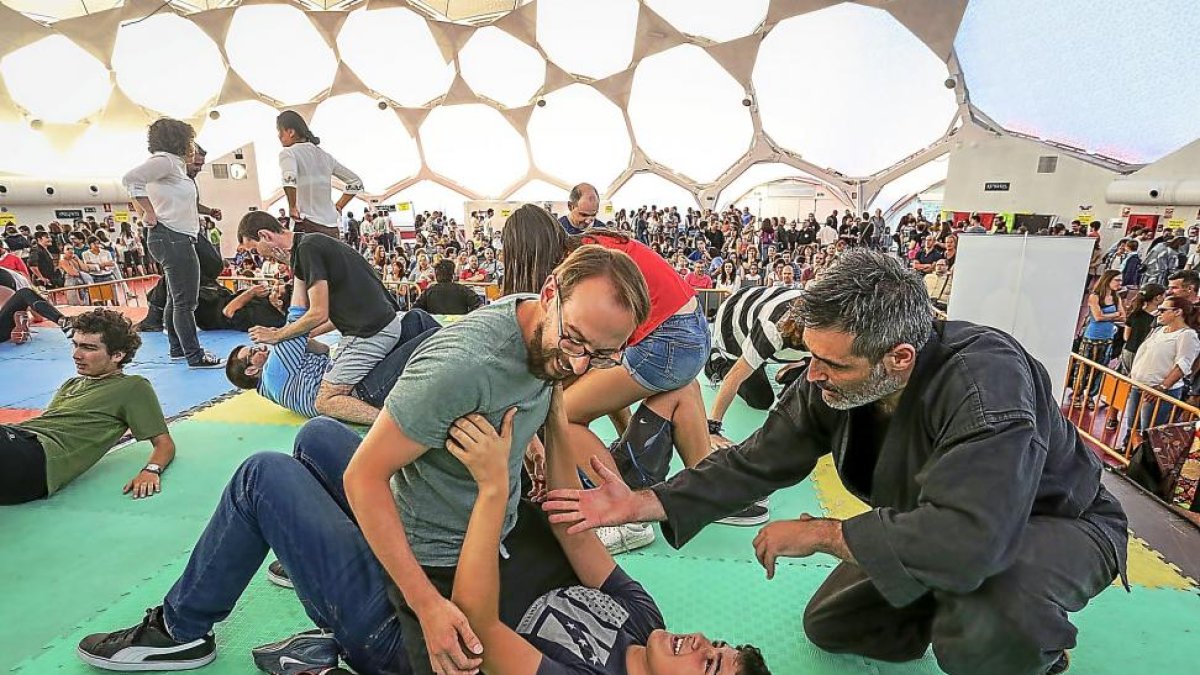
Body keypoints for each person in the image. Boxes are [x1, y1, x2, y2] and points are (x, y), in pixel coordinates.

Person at [546, 249, 1128, 675]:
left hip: (1052, 525)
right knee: (834, 623)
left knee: (989, 618)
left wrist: (826, 534)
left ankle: (1033, 656)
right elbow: (756, 460)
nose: (812, 374)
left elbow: (977, 537)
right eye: (812, 356)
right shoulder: (834, 380)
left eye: (833, 365)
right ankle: (949, 597)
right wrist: (644, 501)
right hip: (933, 527)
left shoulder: (987, 383)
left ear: (899, 358)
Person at [342, 243, 649, 675]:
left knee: (319, 439)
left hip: (504, 525)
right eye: (576, 340)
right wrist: (426, 604)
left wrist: (532, 440)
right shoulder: (462, 369)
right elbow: (362, 478)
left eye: (600, 355)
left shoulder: (544, 336)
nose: (580, 366)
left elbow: (527, 392)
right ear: (548, 294)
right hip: (437, 555)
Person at [443, 383, 771, 675]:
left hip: (453, 553)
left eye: (709, 665)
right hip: (510, 509)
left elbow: (479, 627)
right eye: (716, 644)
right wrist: (555, 410)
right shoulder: (645, 619)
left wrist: (493, 487)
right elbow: (577, 534)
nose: (700, 641)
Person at [502, 208, 719, 553]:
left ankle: (625, 515)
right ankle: (711, 489)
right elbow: (600, 364)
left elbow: (582, 361)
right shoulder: (590, 246)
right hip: (692, 334)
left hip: (668, 341)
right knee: (599, 381)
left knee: (563, 414)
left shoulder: (577, 270)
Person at [2, 309, 176, 504]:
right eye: (74, 345)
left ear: (117, 355)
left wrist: (151, 470)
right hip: (18, 445)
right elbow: (48, 425)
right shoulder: (71, 384)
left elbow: (164, 443)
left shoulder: (132, 386)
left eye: (88, 348)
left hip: (37, 461)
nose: (76, 354)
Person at [122, 118, 222, 368]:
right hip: (171, 236)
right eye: (189, 141)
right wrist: (147, 211)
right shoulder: (164, 161)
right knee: (185, 302)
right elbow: (130, 179)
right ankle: (194, 355)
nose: (193, 147)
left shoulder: (174, 166)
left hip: (175, 236)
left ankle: (178, 349)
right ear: (178, 140)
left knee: (176, 298)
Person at [226, 305, 441, 421]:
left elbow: (323, 349)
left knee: (416, 319)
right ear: (252, 370)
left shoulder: (281, 375)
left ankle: (459, 357)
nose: (262, 347)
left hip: (355, 375)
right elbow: (297, 315)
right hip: (359, 391)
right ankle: (465, 358)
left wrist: (289, 335)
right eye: (253, 352)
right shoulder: (273, 372)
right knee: (429, 338)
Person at [705, 285, 808, 463]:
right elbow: (735, 377)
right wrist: (711, 429)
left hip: (767, 306)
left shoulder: (841, 326)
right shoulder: (773, 329)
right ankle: (716, 362)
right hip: (734, 321)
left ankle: (792, 368)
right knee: (760, 399)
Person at [1123, 295, 1200, 445]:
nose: (1159, 313)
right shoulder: (1160, 331)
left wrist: (1163, 387)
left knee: (1150, 432)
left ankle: (1143, 463)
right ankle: (1132, 458)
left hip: (1158, 392)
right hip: (1139, 386)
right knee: (1133, 426)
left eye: (1163, 310)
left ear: (1178, 312)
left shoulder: (1187, 336)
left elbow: (1183, 365)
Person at [277, 110, 363, 238]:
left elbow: (289, 179)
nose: (279, 136)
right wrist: (339, 205)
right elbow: (356, 182)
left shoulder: (289, 153)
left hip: (306, 225)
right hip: (332, 227)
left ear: (291, 132)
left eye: (280, 131)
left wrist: (292, 207)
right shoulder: (326, 157)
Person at [1072, 270, 1124, 410]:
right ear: (1108, 280)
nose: (1120, 283)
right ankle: (1077, 394)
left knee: (1099, 370)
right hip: (1091, 338)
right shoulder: (1095, 297)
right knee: (1083, 368)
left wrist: (1109, 315)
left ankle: (1090, 395)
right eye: (1117, 280)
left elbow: (1123, 317)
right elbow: (1097, 317)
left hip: (1107, 339)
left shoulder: (1116, 297)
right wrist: (1115, 315)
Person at [414, 259, 484, 315]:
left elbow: (415, 310)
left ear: (436, 275)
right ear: (453, 275)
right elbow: (479, 306)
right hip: (458, 327)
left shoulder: (428, 292)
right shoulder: (464, 290)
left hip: (435, 329)